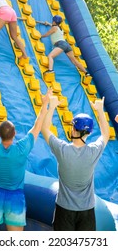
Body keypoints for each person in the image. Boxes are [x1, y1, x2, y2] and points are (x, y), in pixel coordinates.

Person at [0, 87, 52, 231]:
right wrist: (44, 104)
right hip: (15, 198)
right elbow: (37, 127)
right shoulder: (21, 150)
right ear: (14, 133)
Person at [41, 95, 109, 231]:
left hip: (64, 209)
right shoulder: (93, 152)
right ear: (88, 133)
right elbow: (105, 134)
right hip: (87, 210)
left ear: (73, 130)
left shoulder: (62, 150)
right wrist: (100, 110)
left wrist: (52, 105)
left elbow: (44, 129)